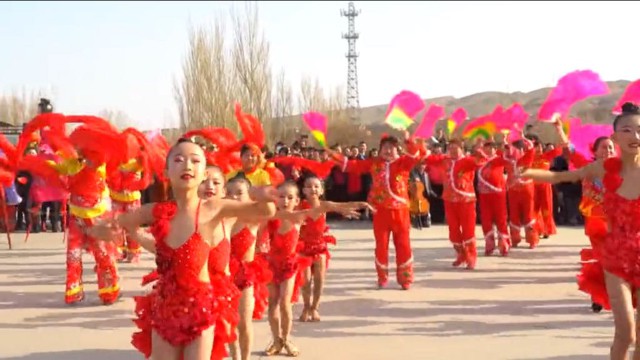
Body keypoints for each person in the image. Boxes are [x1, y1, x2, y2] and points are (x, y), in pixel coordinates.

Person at [91, 138, 277, 360]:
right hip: (165, 306)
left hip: (201, 307)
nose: (187, 165)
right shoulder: (155, 211)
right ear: (167, 172)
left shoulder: (214, 209)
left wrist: (264, 197)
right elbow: (109, 227)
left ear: (203, 173)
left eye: (195, 161)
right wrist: (107, 230)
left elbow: (264, 212)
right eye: (178, 160)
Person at [522, 103, 640, 359]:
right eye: (628, 131)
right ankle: (602, 296)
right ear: (615, 137)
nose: (635, 137)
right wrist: (527, 172)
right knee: (626, 332)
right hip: (612, 249)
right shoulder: (598, 168)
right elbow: (562, 174)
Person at [328, 132, 421, 290]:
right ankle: (382, 276)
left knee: (404, 245)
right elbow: (353, 166)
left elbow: (415, 156)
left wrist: (408, 140)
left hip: (400, 212)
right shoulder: (374, 163)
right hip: (380, 211)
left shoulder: (403, 163)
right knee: (381, 245)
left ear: (397, 150)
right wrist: (334, 156)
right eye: (385, 147)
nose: (388, 150)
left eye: (392, 148)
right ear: (380, 149)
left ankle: (405, 279)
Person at [424, 139, 485, 269]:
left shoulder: (467, 161)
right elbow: (428, 159)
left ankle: (471, 258)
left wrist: (479, 149)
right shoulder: (444, 160)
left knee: (468, 231)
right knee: (454, 233)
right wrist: (420, 146)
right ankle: (461, 255)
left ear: (461, 149)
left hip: (466, 202)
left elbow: (479, 160)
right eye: (450, 148)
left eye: (455, 148)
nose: (452, 150)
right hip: (449, 201)